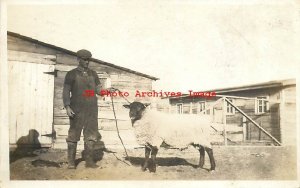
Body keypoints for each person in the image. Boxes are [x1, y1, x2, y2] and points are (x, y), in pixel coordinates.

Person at [63, 49, 102, 169]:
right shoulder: (71, 74)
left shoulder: (93, 74)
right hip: (76, 109)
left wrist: (107, 91)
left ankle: (89, 162)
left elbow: (98, 91)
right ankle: (71, 162)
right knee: (73, 135)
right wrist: (67, 106)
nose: (87, 62)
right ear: (78, 59)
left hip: (91, 110)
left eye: (88, 59)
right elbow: (66, 91)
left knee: (91, 136)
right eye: (84, 59)